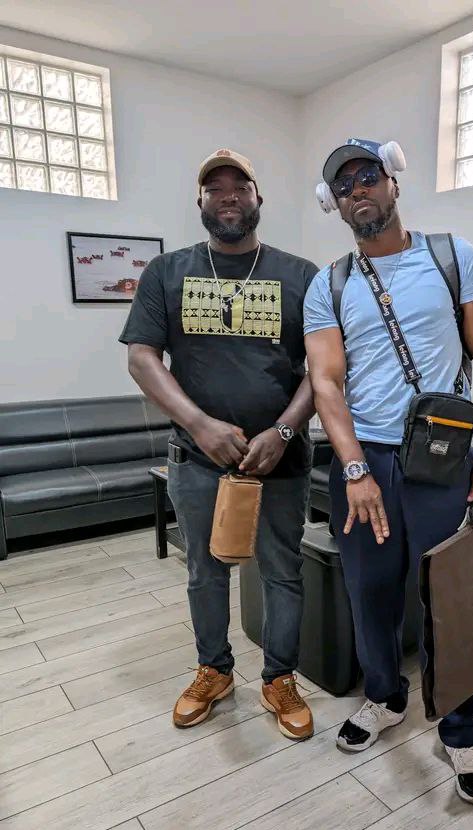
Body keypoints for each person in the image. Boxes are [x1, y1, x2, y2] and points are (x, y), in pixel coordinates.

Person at [304, 138, 473, 803]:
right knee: (370, 591)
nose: (357, 190)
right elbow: (326, 383)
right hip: (363, 462)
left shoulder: (453, 257)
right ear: (334, 205)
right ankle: (385, 697)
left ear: (393, 180)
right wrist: (353, 467)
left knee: (449, 594)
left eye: (368, 175)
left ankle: (460, 726)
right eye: (344, 186)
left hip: (441, 457)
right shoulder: (329, 284)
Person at [120, 148, 318, 740]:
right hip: (197, 460)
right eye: (215, 188)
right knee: (205, 574)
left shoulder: (301, 275)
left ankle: (279, 678)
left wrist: (284, 430)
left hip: (280, 460)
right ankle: (214, 670)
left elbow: (326, 368)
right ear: (200, 202)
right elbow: (142, 357)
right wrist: (199, 424)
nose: (228, 195)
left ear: (259, 198)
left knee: (283, 573)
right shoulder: (167, 272)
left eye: (240, 186)